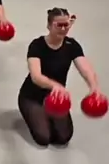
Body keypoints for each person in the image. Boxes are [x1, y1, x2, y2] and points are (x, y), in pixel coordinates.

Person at [18, 8, 100, 147]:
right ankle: (35, 112)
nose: (63, 29)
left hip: (57, 98)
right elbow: (36, 76)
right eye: (58, 25)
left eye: (65, 25)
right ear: (49, 26)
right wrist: (55, 86)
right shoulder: (37, 45)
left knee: (63, 137)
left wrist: (94, 87)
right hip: (32, 97)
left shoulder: (72, 45)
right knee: (44, 138)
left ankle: (47, 114)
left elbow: (85, 68)